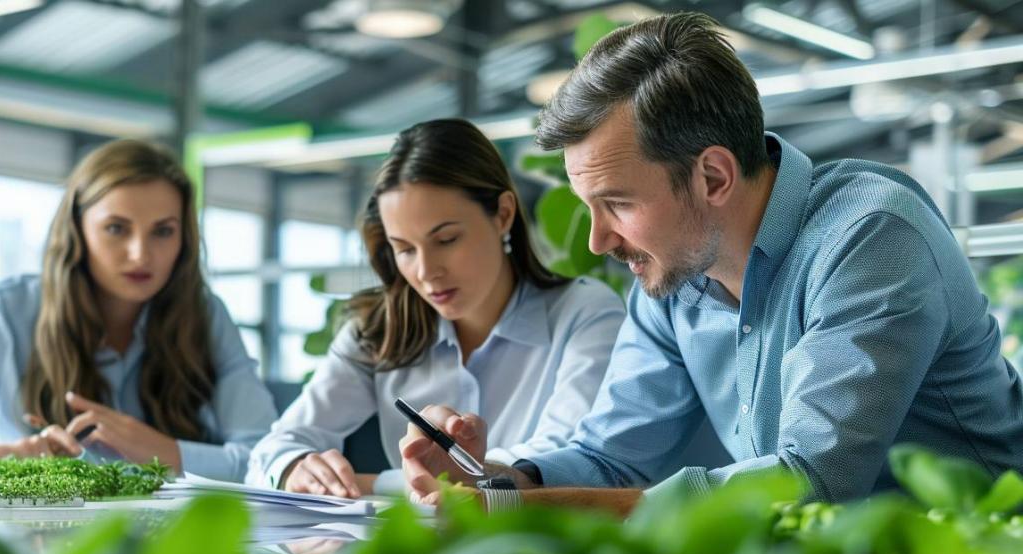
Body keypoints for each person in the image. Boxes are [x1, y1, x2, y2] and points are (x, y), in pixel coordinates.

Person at [400, 12, 1023, 514]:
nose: (597, 241)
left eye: (616, 203)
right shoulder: (672, 276)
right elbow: (612, 456)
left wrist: (514, 511)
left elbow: (808, 481)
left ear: (714, 176)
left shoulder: (869, 238)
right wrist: (501, 480)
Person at [247, 118, 625, 497]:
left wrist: (377, 484)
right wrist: (294, 469)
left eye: (446, 239)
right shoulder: (378, 331)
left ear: (503, 215)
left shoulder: (583, 314)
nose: (427, 272)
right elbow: (274, 450)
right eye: (405, 249)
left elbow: (567, 461)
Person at [0, 139, 277, 480]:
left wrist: (163, 451)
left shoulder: (205, 317)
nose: (141, 254)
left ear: (183, 239)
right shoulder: (6, 312)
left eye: (163, 231)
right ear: (77, 230)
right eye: (117, 228)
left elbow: (267, 460)